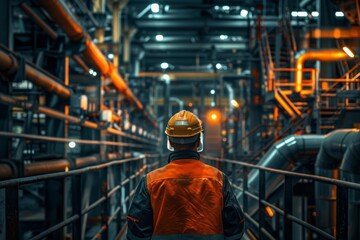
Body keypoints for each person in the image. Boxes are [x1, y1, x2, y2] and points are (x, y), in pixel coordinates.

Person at [127, 110, 244, 240]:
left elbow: (136, 230)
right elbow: (235, 227)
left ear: (170, 142)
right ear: (199, 141)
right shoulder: (218, 179)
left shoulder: (150, 181)